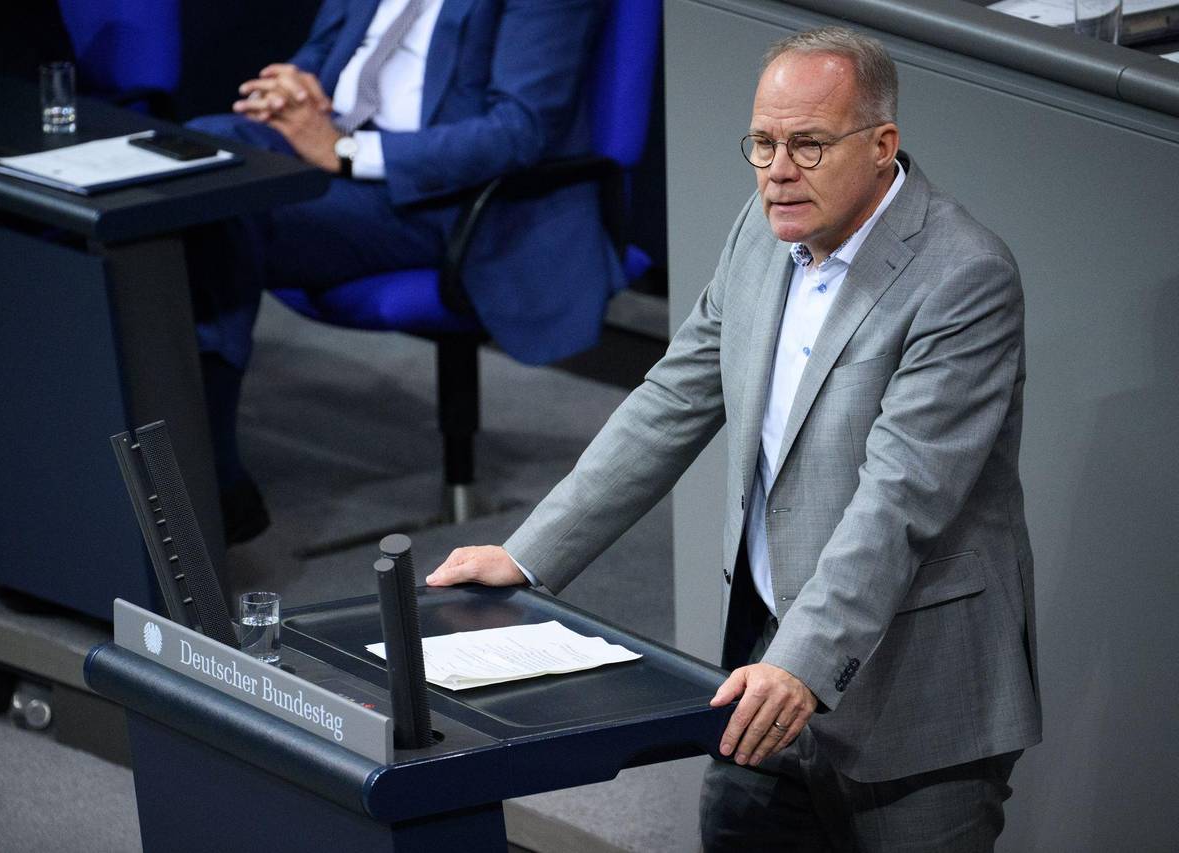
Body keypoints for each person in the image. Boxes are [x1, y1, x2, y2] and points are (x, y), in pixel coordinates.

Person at [427, 26, 1041, 851]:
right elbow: (671, 400)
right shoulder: (762, 231)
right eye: (763, 143)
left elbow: (899, 499)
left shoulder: (962, 276)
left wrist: (801, 663)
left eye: (809, 144)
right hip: (764, 664)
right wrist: (529, 554)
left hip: (914, 689)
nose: (778, 170)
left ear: (881, 144)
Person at [184, 0, 623, 542]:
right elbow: (322, 52)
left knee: (218, 215)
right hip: (327, 151)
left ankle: (207, 471)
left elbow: (519, 130)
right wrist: (290, 89)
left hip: (432, 196)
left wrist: (347, 151)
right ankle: (186, 457)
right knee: (198, 155)